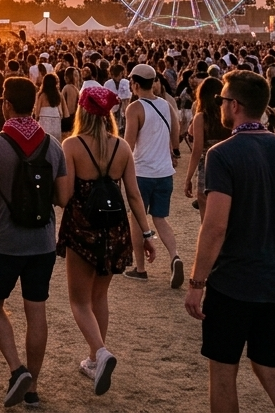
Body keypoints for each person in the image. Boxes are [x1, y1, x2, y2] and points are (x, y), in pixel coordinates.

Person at [184, 70, 275, 413]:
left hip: (233, 284)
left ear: (234, 106)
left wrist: (197, 282)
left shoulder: (222, 154)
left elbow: (215, 227)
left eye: (222, 100)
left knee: (223, 372)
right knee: (269, 368)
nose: (219, 105)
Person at [0, 77, 71, 407]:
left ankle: (17, 369)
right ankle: (32, 388)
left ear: (7, 104)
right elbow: (63, 197)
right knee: (36, 311)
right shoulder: (53, 145)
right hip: (43, 241)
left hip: (5, 239)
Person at [59, 86, 156, 397]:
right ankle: (92, 358)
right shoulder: (122, 148)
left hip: (82, 228)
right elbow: (134, 196)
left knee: (78, 300)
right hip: (115, 229)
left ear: (82, 112)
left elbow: (65, 196)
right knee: (99, 298)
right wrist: (147, 233)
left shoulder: (72, 146)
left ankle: (99, 353)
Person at [121, 63, 184, 287]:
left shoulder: (135, 108)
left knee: (138, 218)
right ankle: (175, 255)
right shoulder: (166, 105)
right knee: (160, 218)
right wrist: (175, 151)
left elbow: (128, 144)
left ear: (136, 84)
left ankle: (140, 268)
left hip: (142, 171)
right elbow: (176, 133)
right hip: (164, 171)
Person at [185, 78, 230, 219]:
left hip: (207, 165)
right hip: (227, 163)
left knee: (206, 218)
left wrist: (188, 178)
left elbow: (197, 150)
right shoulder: (228, 116)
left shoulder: (201, 117)